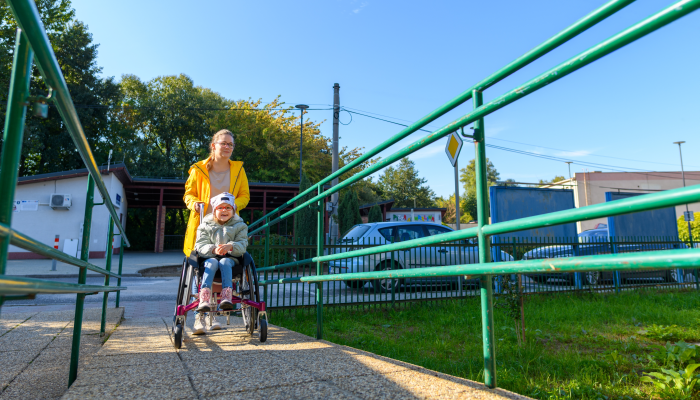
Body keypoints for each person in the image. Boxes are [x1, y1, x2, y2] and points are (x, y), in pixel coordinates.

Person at [183, 129, 250, 333]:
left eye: (231, 144)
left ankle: (215, 317)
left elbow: (244, 195)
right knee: (200, 268)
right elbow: (189, 194)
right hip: (204, 224)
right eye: (224, 143)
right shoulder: (198, 169)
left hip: (229, 228)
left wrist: (232, 207)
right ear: (213, 145)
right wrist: (194, 204)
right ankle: (199, 318)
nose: (228, 147)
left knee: (224, 264)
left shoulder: (238, 169)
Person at [193, 192, 248, 334]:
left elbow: (242, 245)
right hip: (209, 257)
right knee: (212, 262)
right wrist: (213, 249)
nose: (224, 210)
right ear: (214, 210)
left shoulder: (240, 226)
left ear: (233, 210)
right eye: (220, 207)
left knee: (224, 261)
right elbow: (200, 245)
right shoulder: (205, 225)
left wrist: (231, 246)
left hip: (231, 259)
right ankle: (204, 298)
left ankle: (227, 295)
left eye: (228, 208)